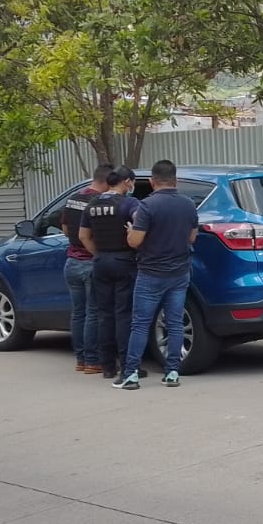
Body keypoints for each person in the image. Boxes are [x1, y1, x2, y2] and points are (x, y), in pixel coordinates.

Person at [114, 159, 200, 391]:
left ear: (152, 181)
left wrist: (131, 232)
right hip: (179, 273)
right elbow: (192, 238)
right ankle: (172, 372)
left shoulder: (147, 206)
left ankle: (130, 374)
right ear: (175, 180)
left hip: (150, 273)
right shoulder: (188, 205)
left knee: (140, 324)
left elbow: (135, 241)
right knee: (174, 323)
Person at [80, 168, 143, 380]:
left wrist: (99, 254)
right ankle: (127, 365)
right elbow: (140, 224)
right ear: (126, 182)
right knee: (123, 314)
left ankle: (107, 366)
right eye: (132, 182)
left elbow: (83, 236)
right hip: (124, 261)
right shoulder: (129, 204)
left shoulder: (93, 203)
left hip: (100, 262)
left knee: (104, 315)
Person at [62, 163, 111, 373]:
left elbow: (65, 228)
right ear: (107, 182)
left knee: (78, 313)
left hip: (71, 262)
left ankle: (81, 359)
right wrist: (97, 253)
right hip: (91, 263)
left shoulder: (73, 198)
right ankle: (93, 360)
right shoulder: (98, 202)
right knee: (93, 313)